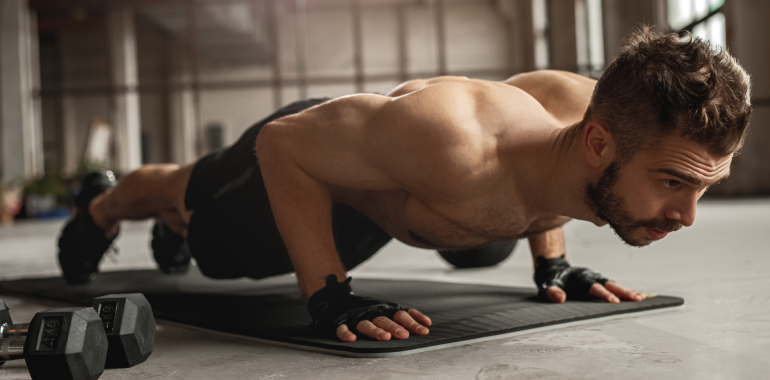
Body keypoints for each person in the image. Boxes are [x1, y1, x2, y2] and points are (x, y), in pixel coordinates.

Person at [57, 26, 752, 343]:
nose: (686, 214)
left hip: (402, 190)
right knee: (199, 218)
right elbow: (281, 146)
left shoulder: (589, 115)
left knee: (476, 245)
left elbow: (547, 168)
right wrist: (328, 296)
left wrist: (554, 263)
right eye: (671, 183)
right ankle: (104, 202)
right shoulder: (454, 143)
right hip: (319, 159)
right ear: (601, 144)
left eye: (704, 188)